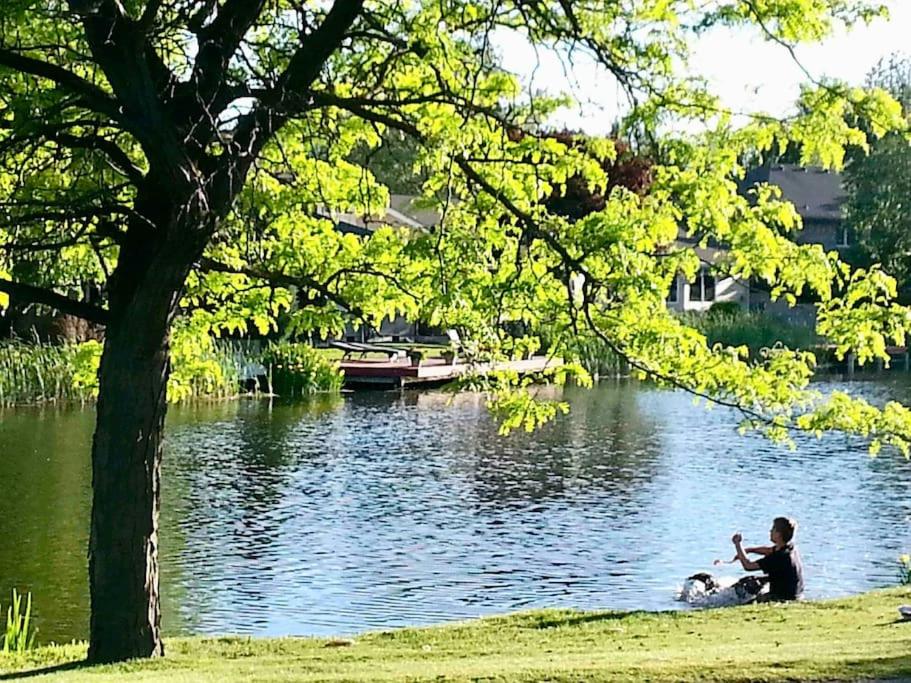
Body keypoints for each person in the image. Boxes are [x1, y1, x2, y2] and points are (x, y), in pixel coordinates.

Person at [732, 516, 804, 602]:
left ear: (779, 534)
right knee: (753, 580)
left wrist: (737, 544)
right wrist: (749, 550)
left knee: (747, 601)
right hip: (797, 595)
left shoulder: (778, 557)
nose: (770, 531)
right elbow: (769, 550)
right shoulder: (790, 548)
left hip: (783, 598)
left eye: (773, 529)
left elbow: (748, 566)